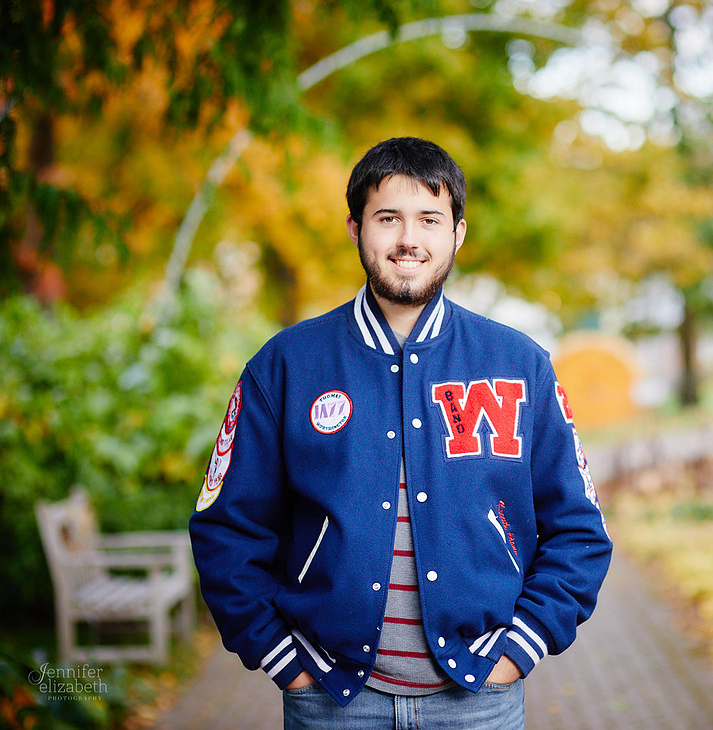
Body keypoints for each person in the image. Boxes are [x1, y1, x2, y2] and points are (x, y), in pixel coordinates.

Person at [189, 136, 613, 729]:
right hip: (330, 700)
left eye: (429, 220)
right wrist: (284, 660)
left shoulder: (520, 364)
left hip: (480, 702)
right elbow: (225, 528)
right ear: (355, 228)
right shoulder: (285, 366)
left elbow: (579, 529)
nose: (408, 239)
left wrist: (522, 649)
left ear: (457, 234)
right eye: (388, 218)